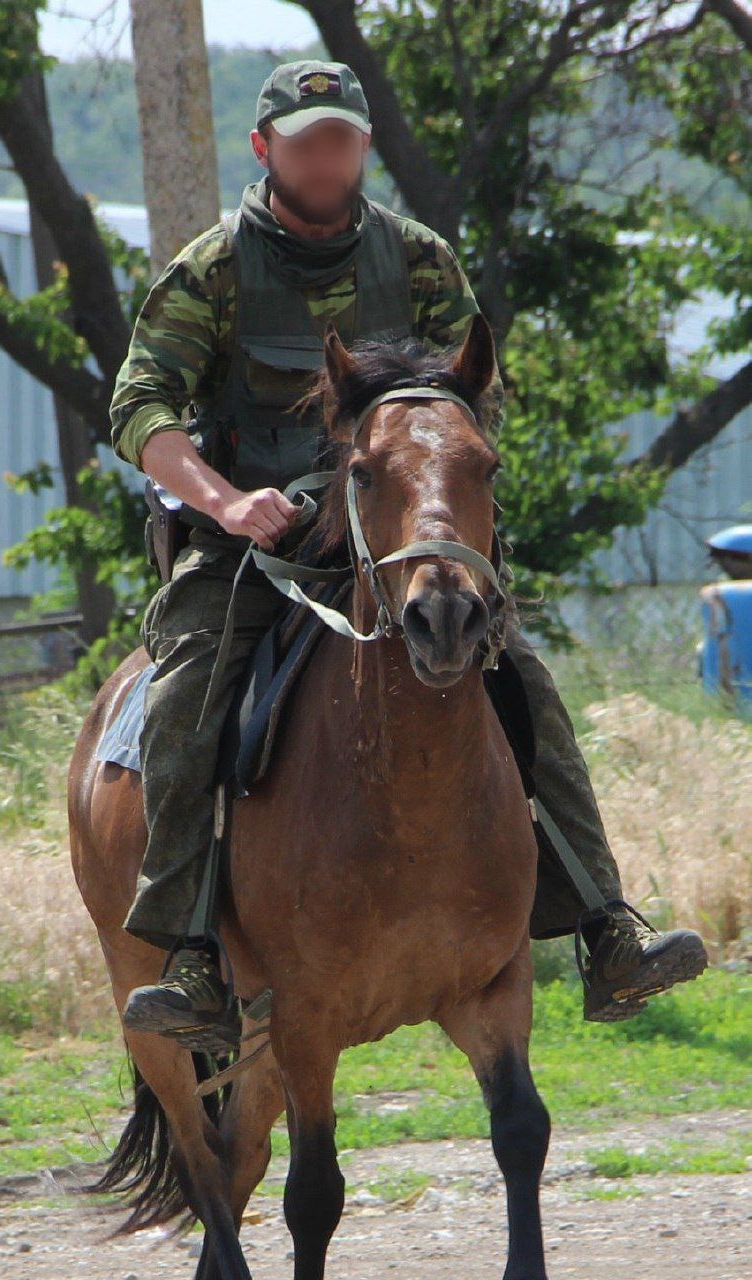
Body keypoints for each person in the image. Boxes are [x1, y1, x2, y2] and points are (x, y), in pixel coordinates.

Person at [108, 59, 708, 1053]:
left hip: (400, 528)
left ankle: (606, 927)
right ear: (266, 150)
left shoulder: (421, 260)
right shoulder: (213, 269)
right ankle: (191, 956)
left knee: (524, 679)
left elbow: (474, 399)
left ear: (365, 146)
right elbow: (141, 408)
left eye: (342, 136)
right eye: (305, 140)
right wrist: (226, 499)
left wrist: (430, 503)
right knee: (185, 694)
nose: (325, 156)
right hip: (260, 538)